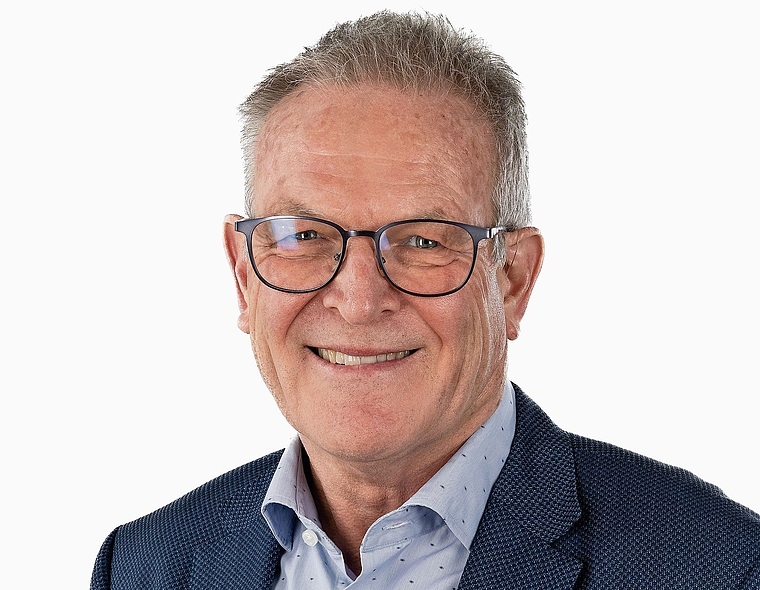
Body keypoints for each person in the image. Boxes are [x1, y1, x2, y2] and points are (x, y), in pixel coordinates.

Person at [91, 10, 760, 589]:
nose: (358, 300)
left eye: (422, 240)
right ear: (243, 275)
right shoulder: (145, 565)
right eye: (305, 236)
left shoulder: (718, 567)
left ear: (512, 281)